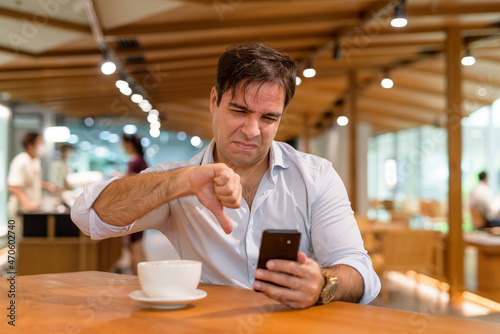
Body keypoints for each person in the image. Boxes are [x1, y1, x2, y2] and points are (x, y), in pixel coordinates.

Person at [72, 43, 380, 308]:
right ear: (214, 101)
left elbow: (361, 272)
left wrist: (324, 284)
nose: (251, 131)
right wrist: (182, 182)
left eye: (268, 118)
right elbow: (88, 216)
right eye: (240, 111)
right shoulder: (179, 181)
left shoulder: (316, 176)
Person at [8, 132, 56, 218]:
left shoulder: (35, 160)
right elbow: (13, 187)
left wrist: (46, 185)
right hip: (19, 210)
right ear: (29, 145)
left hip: (31, 210)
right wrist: (28, 204)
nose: (42, 145)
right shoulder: (21, 160)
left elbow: (30, 182)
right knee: (14, 231)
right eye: (39, 142)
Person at [120, 134, 148, 274]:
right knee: (138, 245)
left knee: (134, 246)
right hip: (140, 207)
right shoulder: (140, 160)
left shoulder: (135, 161)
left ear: (128, 144)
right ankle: (144, 275)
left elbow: (131, 184)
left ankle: (137, 278)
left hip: (134, 209)